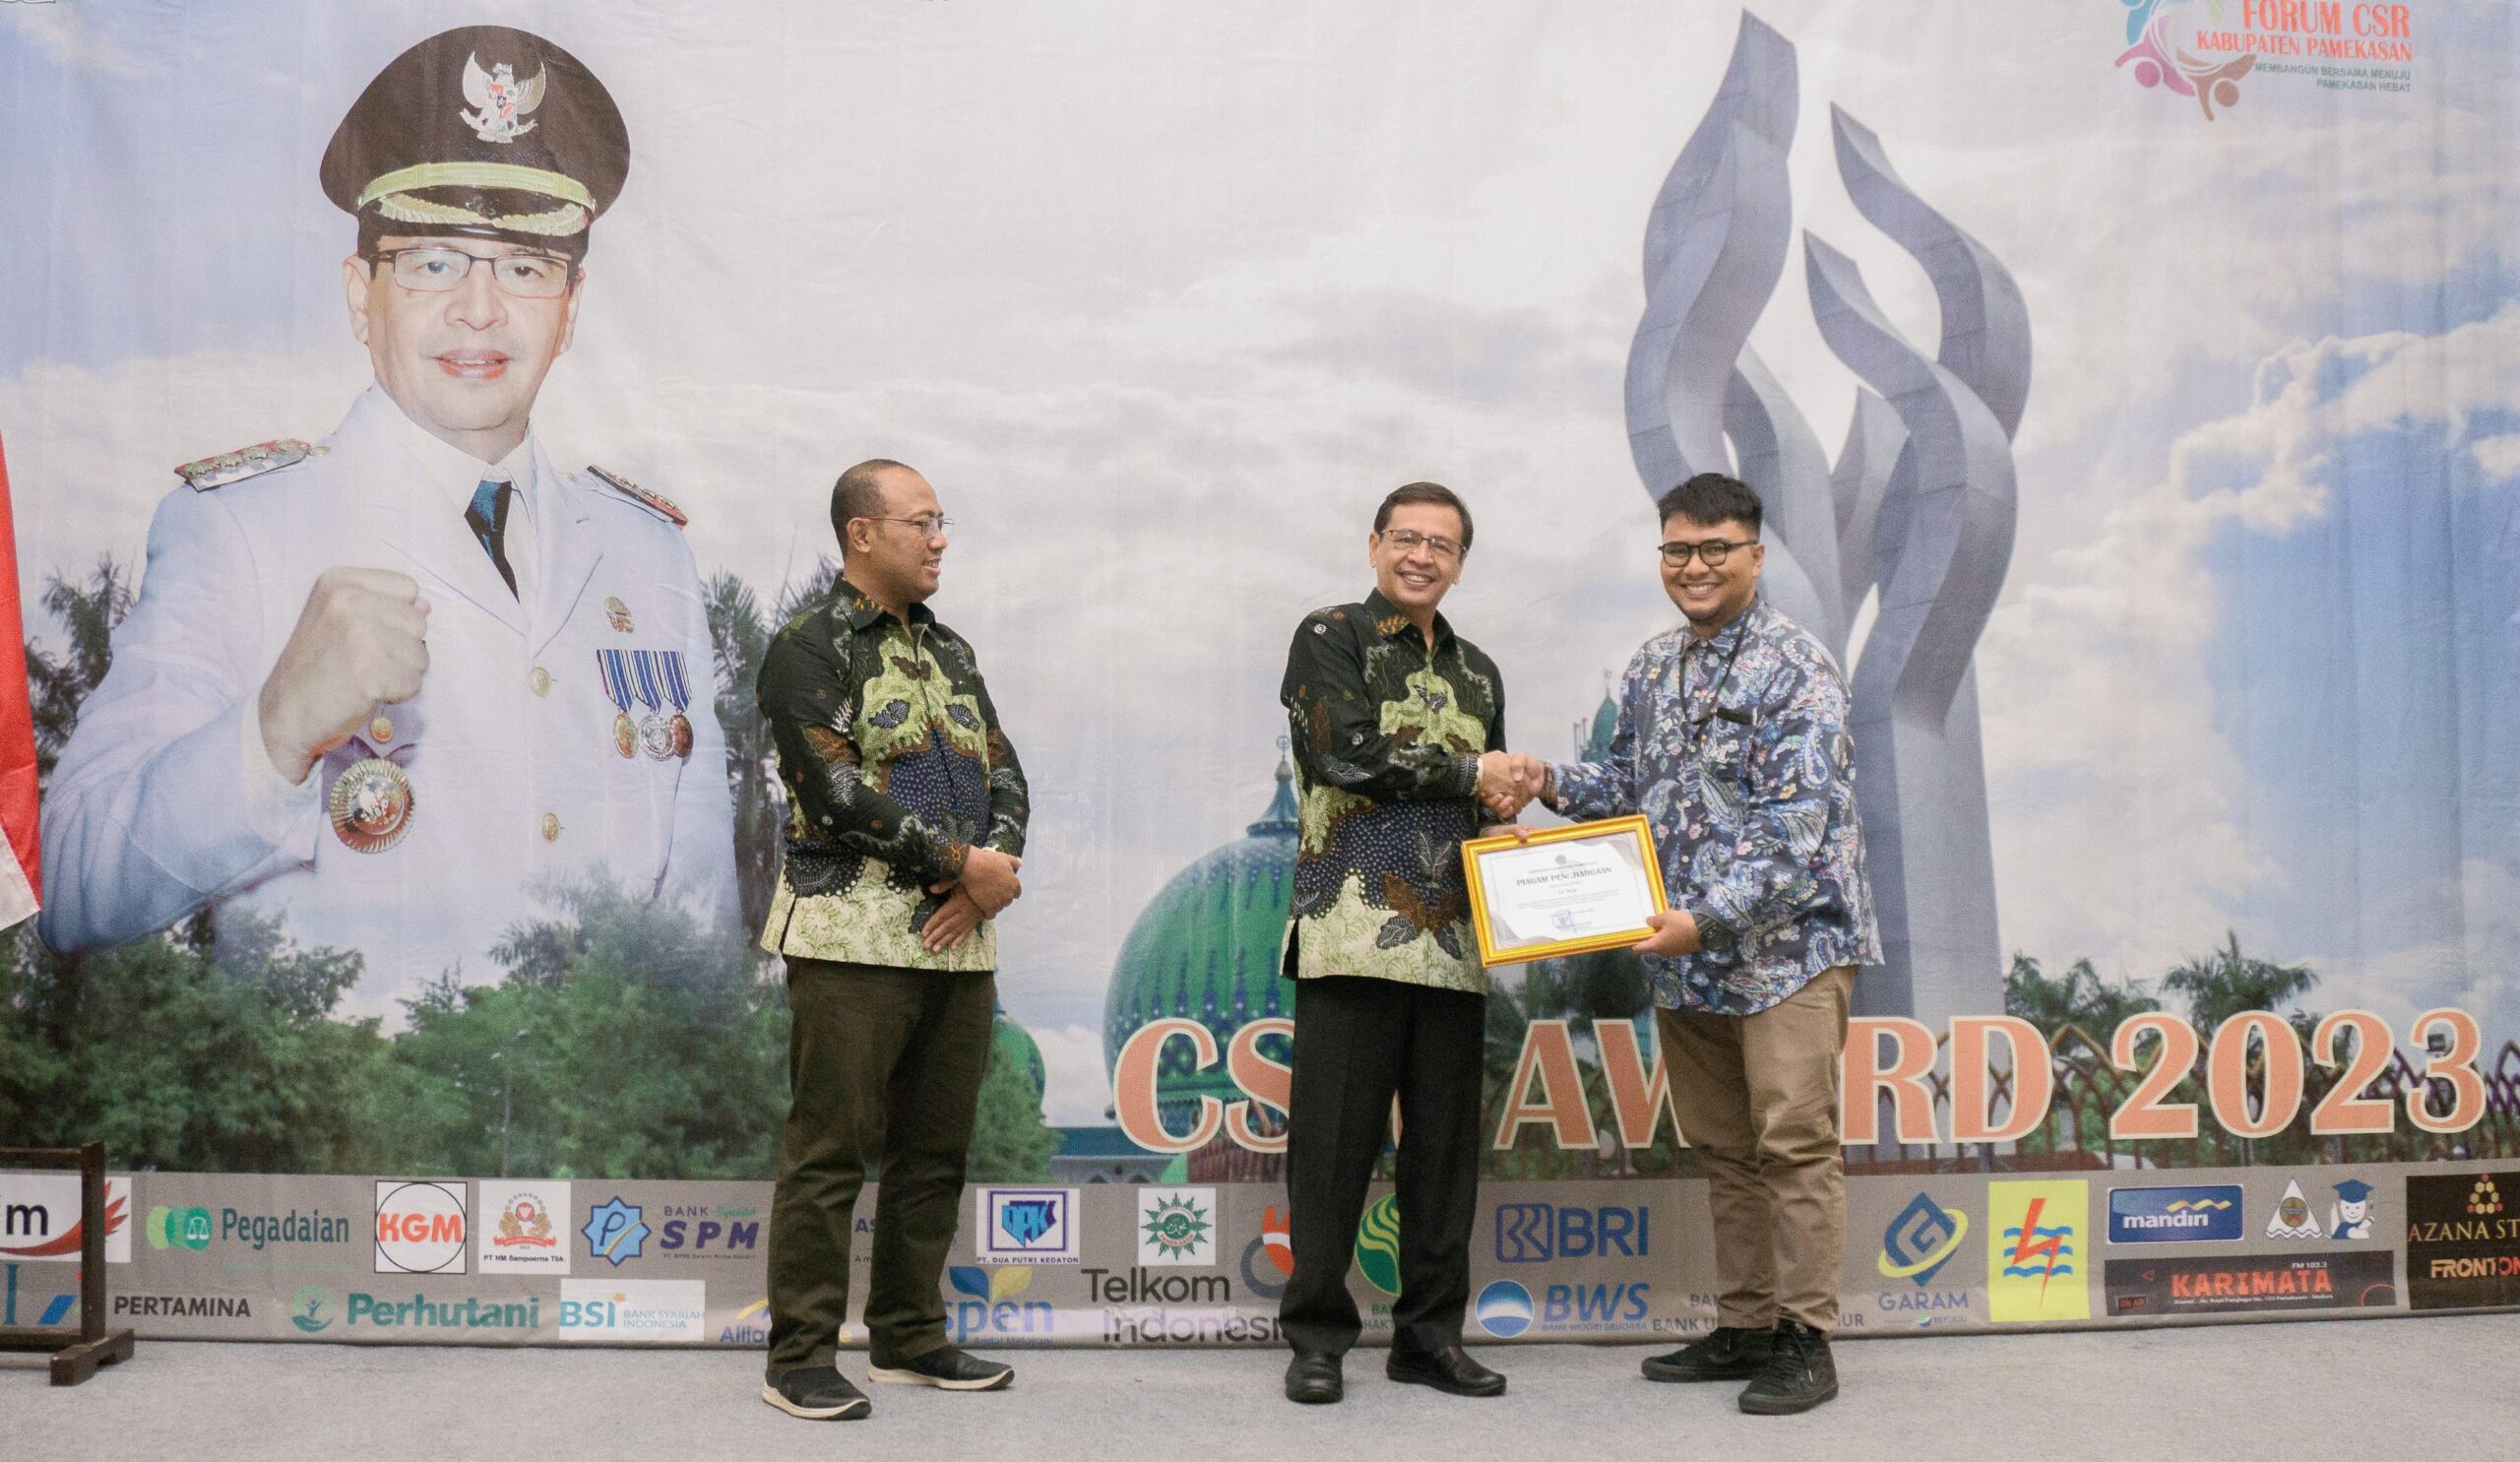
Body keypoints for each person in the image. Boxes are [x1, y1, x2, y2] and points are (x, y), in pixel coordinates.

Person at [36, 26, 735, 1010]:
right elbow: (69, 880)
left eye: (525, 267)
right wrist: (272, 732)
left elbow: (698, 928)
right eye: (435, 262)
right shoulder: (244, 530)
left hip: (603, 1121)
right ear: (360, 295)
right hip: (351, 1129)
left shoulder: (646, 554)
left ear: (571, 308)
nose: (481, 310)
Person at [1540, 472, 1878, 1416]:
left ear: (1754, 556)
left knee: (1795, 1142)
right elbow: (1625, 781)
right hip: (1686, 950)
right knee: (1727, 1148)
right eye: (1677, 550)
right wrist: (1544, 781)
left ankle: (1806, 1339)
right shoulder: (1652, 668)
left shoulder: (1795, 666)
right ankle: (1745, 1322)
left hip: (1787, 948)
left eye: (1715, 549)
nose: (1694, 566)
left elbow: (1795, 831)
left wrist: (1700, 919)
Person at [755, 459, 1029, 1421]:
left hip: (957, 942)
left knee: (934, 1153)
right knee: (831, 1151)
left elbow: (1006, 773)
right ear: (862, 534)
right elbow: (831, 794)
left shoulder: (951, 651)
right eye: (921, 522)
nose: (940, 538)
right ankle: (797, 1359)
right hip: (849, 938)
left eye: (943, 521)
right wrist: (960, 863)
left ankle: (910, 1339)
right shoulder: (808, 647)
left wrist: (990, 876)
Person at [1275, 481, 1535, 1406]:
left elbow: (1485, 800)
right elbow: (1342, 753)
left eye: (1444, 545)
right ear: (1376, 543)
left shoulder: (1480, 673)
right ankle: (1315, 1336)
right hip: (1350, 931)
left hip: (1454, 940)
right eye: (1408, 538)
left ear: (1461, 561)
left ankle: (1429, 1336)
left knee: (1442, 1157)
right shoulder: (1331, 635)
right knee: (1333, 1150)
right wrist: (1475, 770)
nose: (1423, 556)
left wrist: (1512, 816)